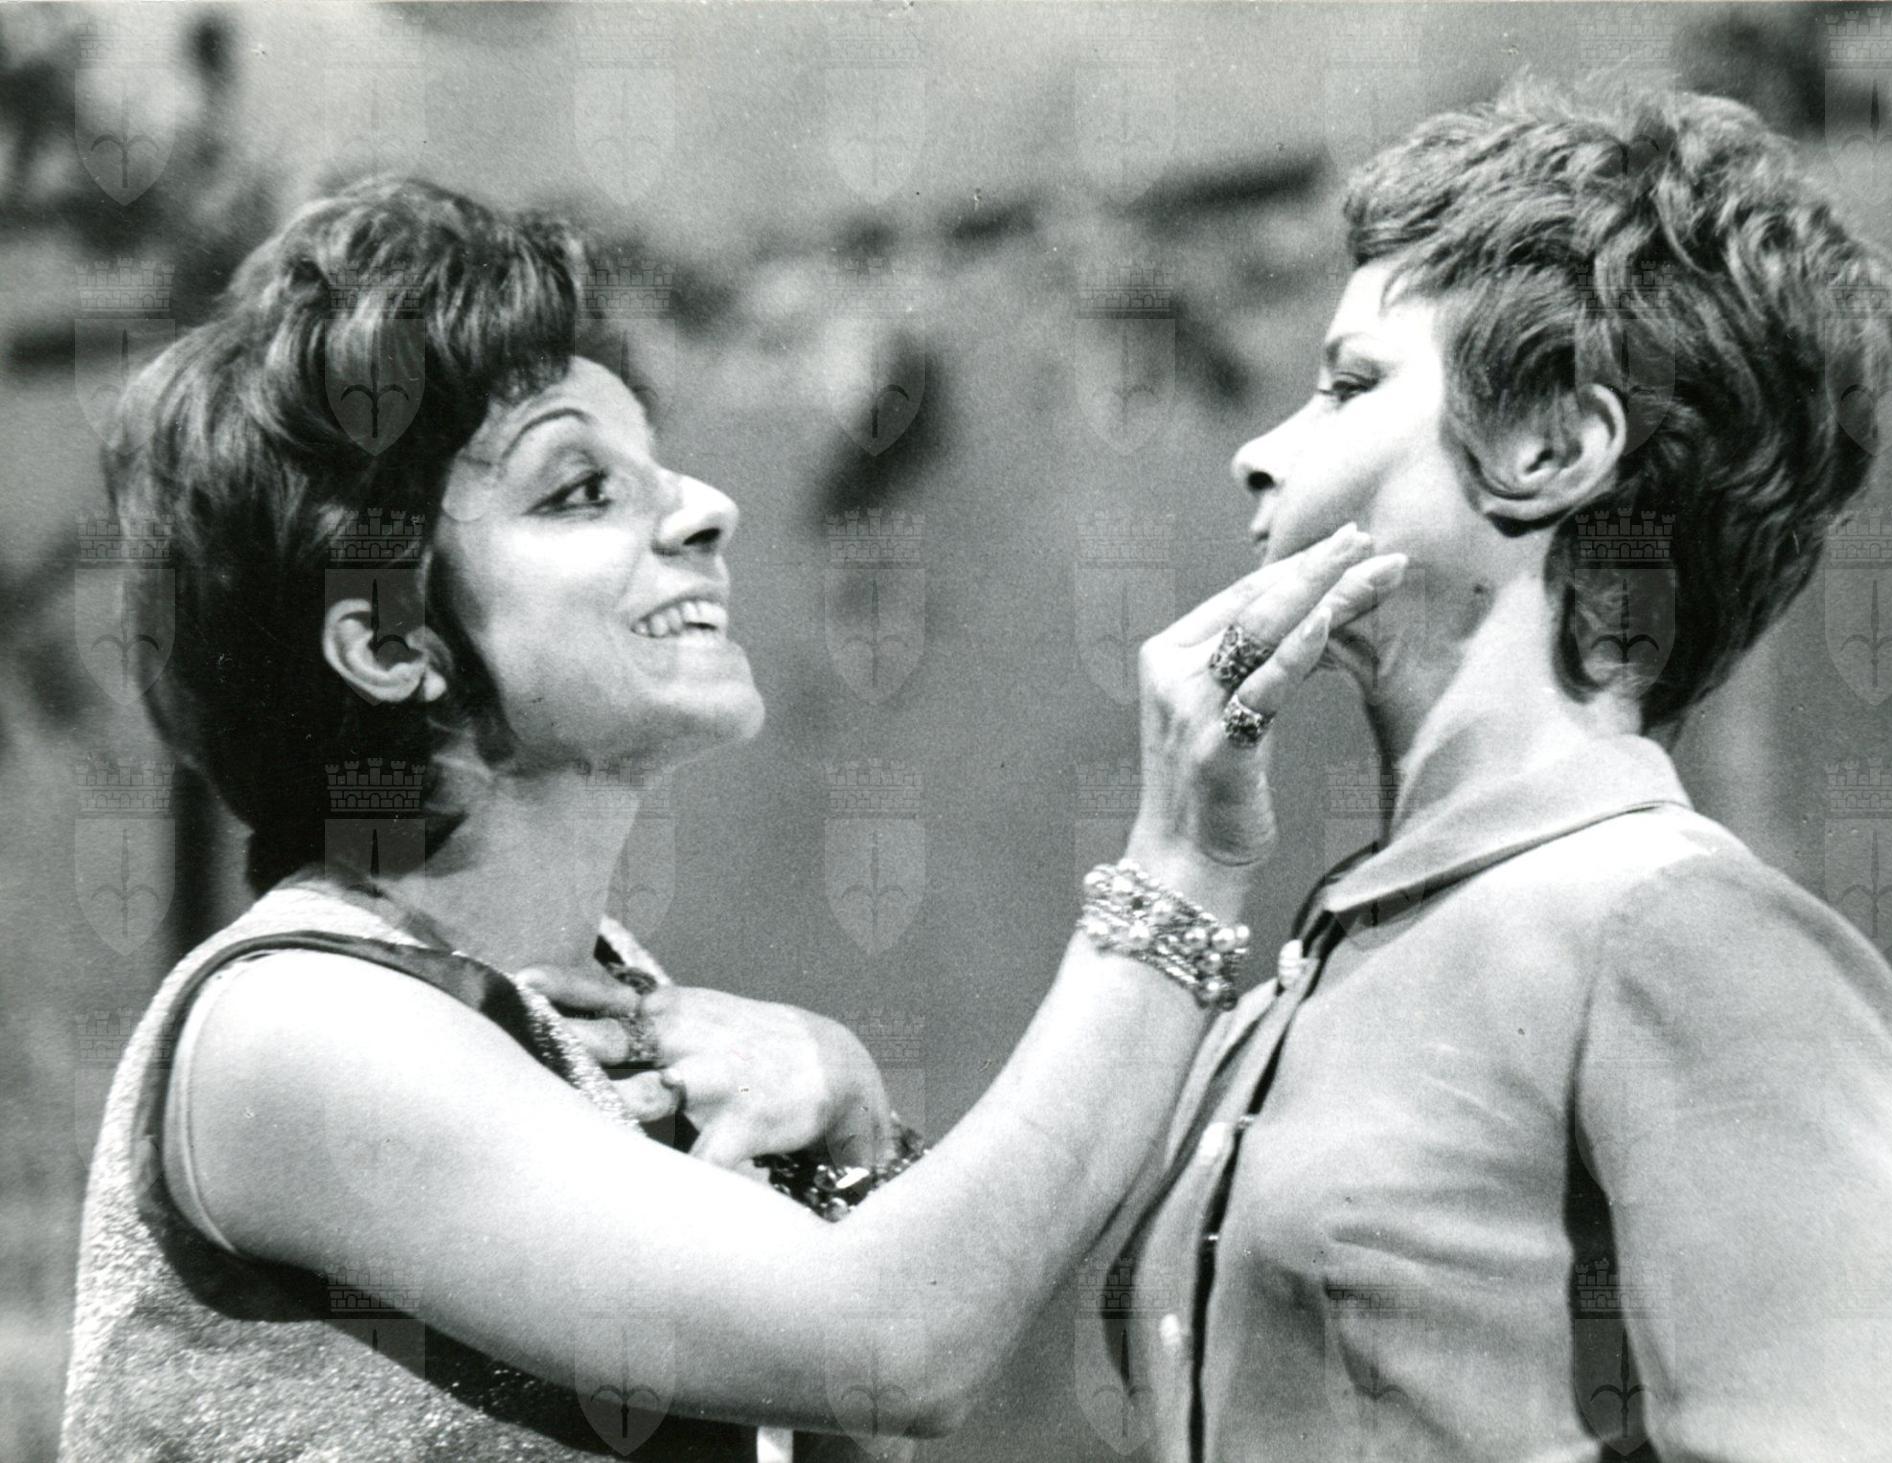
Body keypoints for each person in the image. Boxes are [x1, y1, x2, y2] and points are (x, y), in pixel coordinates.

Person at [58, 176, 1406, 1461]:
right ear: (388, 644)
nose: (707, 509)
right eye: (580, 490)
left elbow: (874, 1392)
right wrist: (1184, 859)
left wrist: (857, 1134)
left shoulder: (597, 1000)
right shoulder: (297, 1028)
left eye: (658, 468)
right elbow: (892, 1344)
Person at [1107, 78, 1892, 1463]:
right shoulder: (1338, 953)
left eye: (1349, 384)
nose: (1256, 451)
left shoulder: (1685, 939)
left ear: (1550, 449)